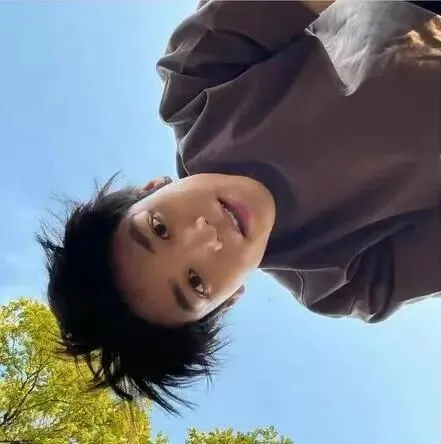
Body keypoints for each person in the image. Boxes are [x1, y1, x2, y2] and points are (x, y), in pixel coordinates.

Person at [38, 0, 441, 414]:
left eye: (159, 229)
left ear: (153, 188)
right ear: (229, 299)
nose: (206, 236)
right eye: (196, 282)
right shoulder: (348, 285)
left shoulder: (197, 85)